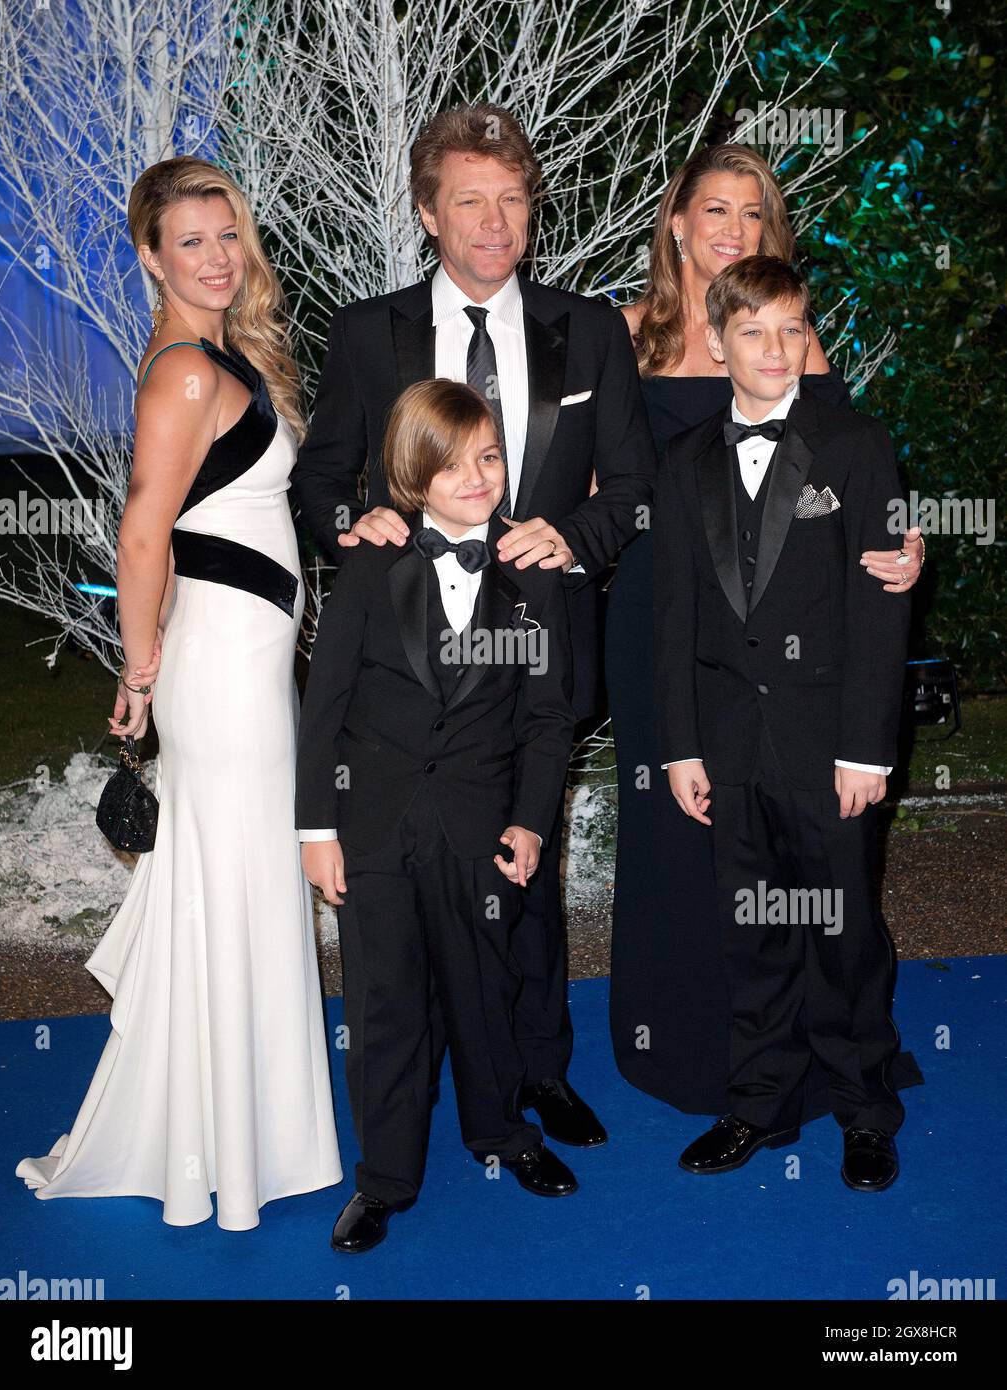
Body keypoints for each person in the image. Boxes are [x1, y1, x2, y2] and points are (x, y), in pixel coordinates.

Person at [290, 102, 657, 1148]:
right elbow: (322, 473)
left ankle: (535, 1075)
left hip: (535, 654)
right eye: (469, 201)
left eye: (512, 199)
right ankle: (406, 1121)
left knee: (521, 867)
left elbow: (635, 487)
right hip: (403, 666)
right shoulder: (369, 331)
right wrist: (349, 522)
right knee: (406, 897)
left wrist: (573, 536)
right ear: (426, 212)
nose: (495, 223)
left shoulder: (589, 327)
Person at [15, 157, 342, 1229]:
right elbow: (143, 532)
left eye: (226, 234)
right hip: (221, 677)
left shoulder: (212, 354)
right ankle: (230, 1154)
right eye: (189, 240)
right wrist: (140, 666)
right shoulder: (187, 374)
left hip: (246, 665)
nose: (215, 256)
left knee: (240, 882)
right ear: (150, 254)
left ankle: (238, 1136)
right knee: (239, 882)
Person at [606, 144, 924, 1117]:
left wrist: (903, 550)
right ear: (676, 224)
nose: (734, 230)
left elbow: (853, 486)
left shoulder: (795, 345)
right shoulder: (624, 335)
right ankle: (683, 1042)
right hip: (657, 620)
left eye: (753, 215)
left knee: (787, 845)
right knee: (674, 828)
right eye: (715, 211)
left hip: (781, 647)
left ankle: (808, 1049)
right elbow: (593, 484)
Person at [297, 379, 578, 1252]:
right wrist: (315, 831)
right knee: (385, 1007)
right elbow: (324, 706)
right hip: (375, 827)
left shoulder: (534, 573)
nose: (476, 477)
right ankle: (384, 1176)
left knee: (486, 991)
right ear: (412, 476)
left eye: (489, 458)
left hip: (480, 828)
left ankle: (501, 1133)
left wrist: (532, 821)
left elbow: (546, 718)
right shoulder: (372, 564)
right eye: (452, 464)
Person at [656, 255, 912, 1189]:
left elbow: (880, 610)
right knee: (751, 930)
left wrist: (865, 751)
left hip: (828, 745)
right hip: (728, 747)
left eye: (791, 331)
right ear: (717, 341)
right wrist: (681, 743)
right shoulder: (683, 464)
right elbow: (674, 616)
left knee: (844, 930)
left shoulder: (857, 445)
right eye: (754, 332)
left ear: (810, 339)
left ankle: (865, 1109)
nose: (775, 350)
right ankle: (759, 1102)